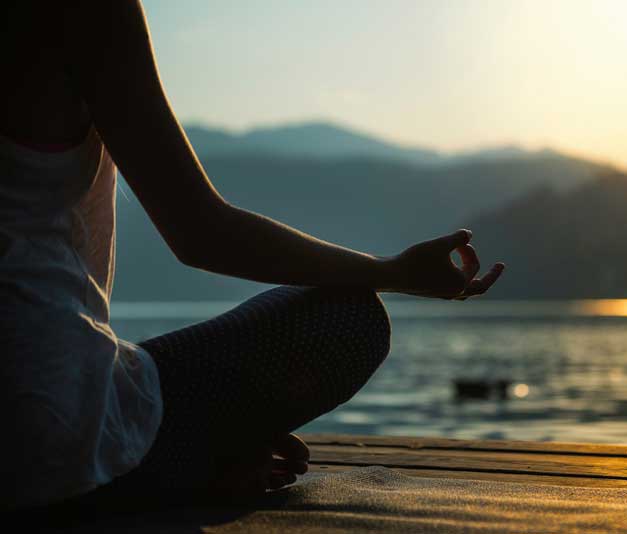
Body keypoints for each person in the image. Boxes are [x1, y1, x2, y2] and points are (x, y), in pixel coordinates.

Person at [0, 0, 504, 512]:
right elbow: (201, 233)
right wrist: (394, 273)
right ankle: (171, 468)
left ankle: (187, 450)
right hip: (47, 428)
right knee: (351, 319)